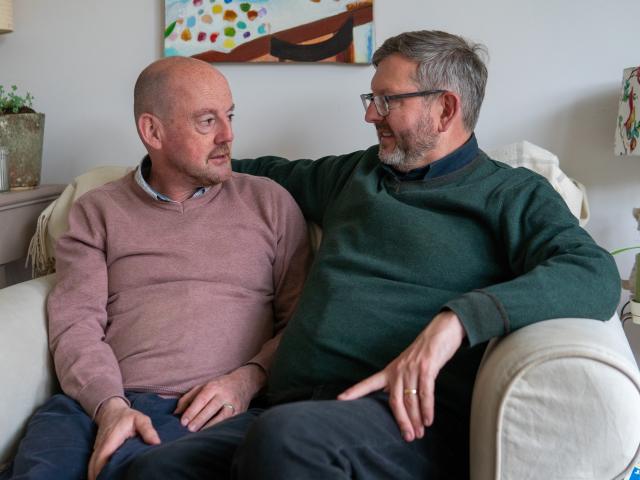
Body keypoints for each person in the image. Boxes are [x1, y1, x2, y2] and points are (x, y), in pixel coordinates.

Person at [126, 30, 620, 479]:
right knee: (153, 469)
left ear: (445, 109)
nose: (369, 115)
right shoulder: (358, 175)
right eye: (371, 98)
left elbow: (592, 273)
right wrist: (162, 162)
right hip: (287, 409)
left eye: (387, 100)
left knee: (285, 442)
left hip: (402, 422)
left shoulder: (511, 193)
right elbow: (255, 175)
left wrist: (458, 322)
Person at [0, 57, 310, 480]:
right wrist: (109, 406)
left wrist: (250, 378)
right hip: (97, 404)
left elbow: (303, 323)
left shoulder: (269, 203)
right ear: (153, 131)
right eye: (207, 121)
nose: (228, 135)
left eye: (230, 115)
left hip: (213, 411)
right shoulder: (98, 211)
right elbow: (76, 322)